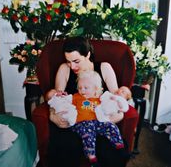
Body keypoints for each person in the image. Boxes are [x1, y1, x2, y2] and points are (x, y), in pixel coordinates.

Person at [47, 37, 130, 167]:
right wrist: (53, 117)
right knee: (63, 147)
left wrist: (118, 114)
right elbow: (56, 100)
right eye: (68, 61)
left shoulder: (104, 68)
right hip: (74, 124)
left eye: (76, 61)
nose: (72, 66)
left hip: (100, 122)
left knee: (113, 149)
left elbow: (117, 97)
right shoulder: (64, 69)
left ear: (88, 55)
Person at [71, 70, 126, 167]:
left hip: (97, 122)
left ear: (95, 88)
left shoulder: (101, 98)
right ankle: (92, 157)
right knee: (88, 132)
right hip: (81, 123)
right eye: (79, 88)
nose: (82, 90)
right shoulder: (75, 97)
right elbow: (65, 104)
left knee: (111, 126)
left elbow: (111, 107)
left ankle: (119, 146)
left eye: (86, 88)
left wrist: (116, 104)